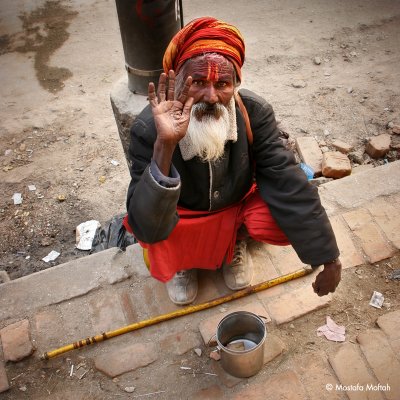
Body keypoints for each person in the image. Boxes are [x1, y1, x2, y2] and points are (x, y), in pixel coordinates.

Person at [124, 16, 342, 305]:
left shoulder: (254, 111)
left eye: (223, 84)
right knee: (153, 222)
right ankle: (183, 262)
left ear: (236, 84)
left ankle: (234, 243)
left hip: (234, 208)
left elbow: (285, 180)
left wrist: (329, 256)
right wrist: (164, 145)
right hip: (179, 219)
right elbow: (144, 225)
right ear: (176, 82)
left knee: (281, 209)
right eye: (198, 82)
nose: (212, 97)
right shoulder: (148, 129)